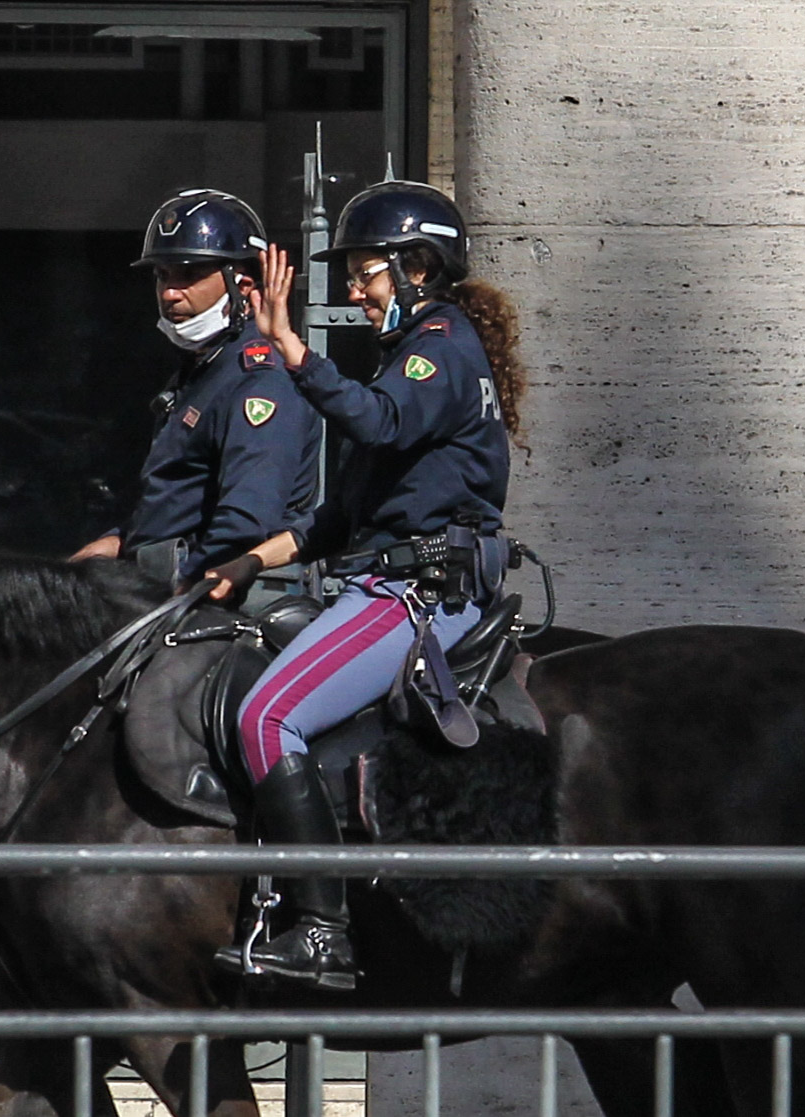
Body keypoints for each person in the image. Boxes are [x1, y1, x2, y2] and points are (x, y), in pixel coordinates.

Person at [209, 181, 529, 990]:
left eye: (366, 273)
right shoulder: (409, 357)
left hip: (419, 594)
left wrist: (290, 349)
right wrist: (250, 561)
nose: (353, 291)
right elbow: (340, 516)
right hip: (377, 581)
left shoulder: (440, 345)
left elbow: (375, 420)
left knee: (265, 715)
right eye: (350, 276)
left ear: (419, 267)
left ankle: (322, 929)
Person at [69, 190, 321, 592]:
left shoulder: (261, 381)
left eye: (189, 275)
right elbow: (178, 498)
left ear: (243, 283)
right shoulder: (205, 368)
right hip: (163, 579)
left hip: (219, 595)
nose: (170, 293)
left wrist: (179, 587)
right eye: (163, 276)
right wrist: (120, 541)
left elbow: (245, 522)